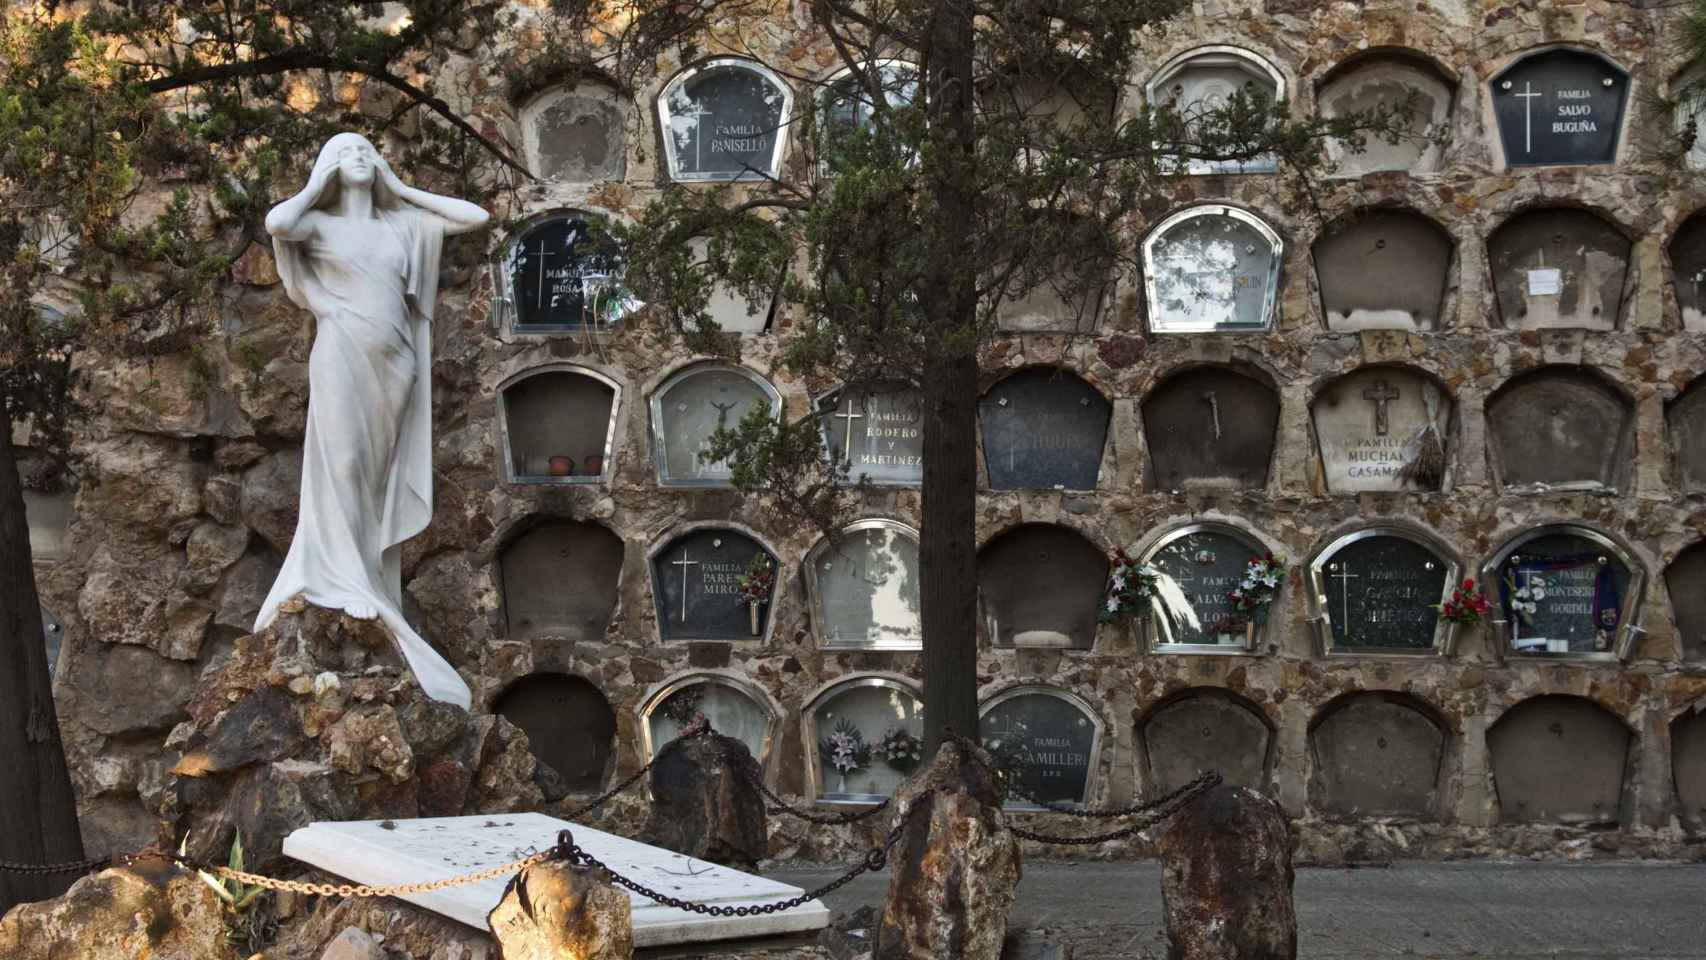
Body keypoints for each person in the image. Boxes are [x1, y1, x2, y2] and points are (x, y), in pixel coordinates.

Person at [255, 132, 488, 709]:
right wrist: (316, 183)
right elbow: (279, 224)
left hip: (394, 363)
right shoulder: (320, 224)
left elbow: (474, 216)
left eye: (366, 152)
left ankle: (366, 577)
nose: (357, 158)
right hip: (340, 351)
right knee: (344, 462)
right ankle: (342, 581)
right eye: (345, 153)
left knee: (376, 477)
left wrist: (401, 187)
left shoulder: (401, 224)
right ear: (330, 168)